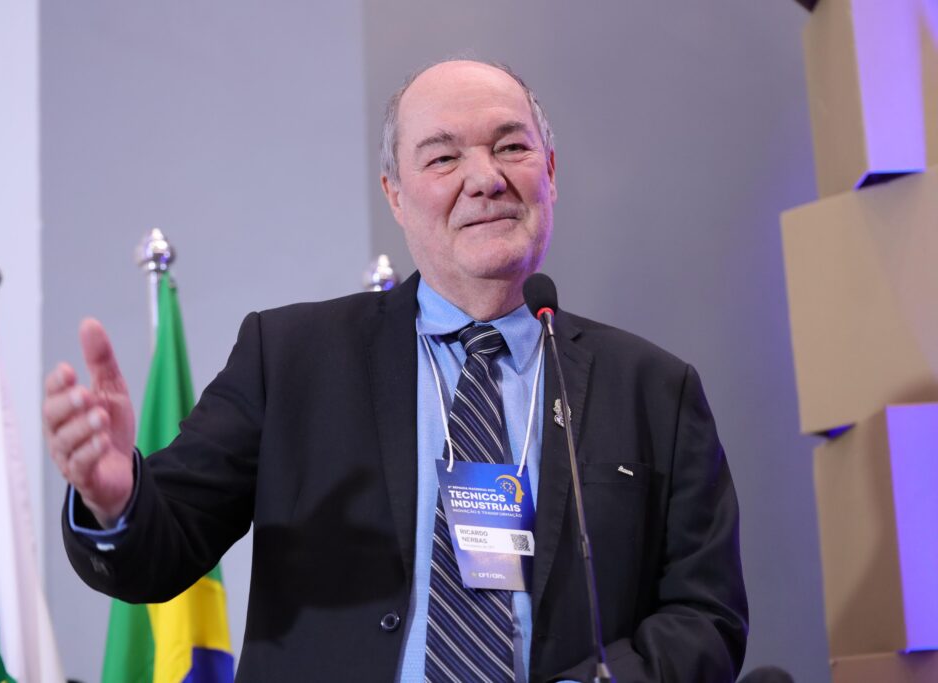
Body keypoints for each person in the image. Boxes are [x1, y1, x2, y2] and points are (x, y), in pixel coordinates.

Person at [44, 59, 748, 682]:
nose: (486, 179)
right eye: (443, 158)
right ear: (396, 194)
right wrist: (116, 500)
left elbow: (705, 614)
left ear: (551, 173)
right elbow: (165, 546)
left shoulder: (653, 389)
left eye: (512, 147)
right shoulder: (289, 357)